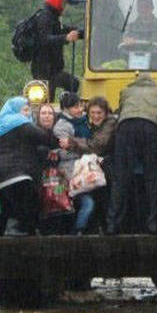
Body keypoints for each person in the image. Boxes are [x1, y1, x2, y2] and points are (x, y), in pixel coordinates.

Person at [107, 72, 157, 234]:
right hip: (151, 127)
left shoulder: (126, 91)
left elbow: (121, 110)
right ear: (152, 81)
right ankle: (153, 225)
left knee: (121, 178)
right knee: (153, 178)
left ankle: (112, 224)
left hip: (125, 128)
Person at [0, 97, 51, 236]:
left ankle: (15, 234)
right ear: (16, 111)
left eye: (28, 110)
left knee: (12, 207)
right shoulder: (21, 124)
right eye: (24, 109)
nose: (27, 113)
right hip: (15, 174)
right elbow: (44, 138)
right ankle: (17, 230)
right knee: (32, 200)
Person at [60, 96, 117, 232]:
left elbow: (97, 146)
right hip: (99, 166)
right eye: (93, 113)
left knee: (106, 197)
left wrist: (72, 142)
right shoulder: (93, 125)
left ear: (105, 113)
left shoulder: (110, 123)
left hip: (110, 166)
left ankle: (108, 227)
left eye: (99, 113)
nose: (96, 116)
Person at [31, 0, 84, 99]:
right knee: (45, 103)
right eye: (63, 1)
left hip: (54, 70)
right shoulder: (44, 17)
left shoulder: (53, 18)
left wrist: (83, 32)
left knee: (73, 83)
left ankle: (66, 104)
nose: (65, 5)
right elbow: (44, 39)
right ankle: (62, 107)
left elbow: (62, 30)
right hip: (43, 71)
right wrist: (66, 37)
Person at [53, 92, 95, 235]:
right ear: (66, 109)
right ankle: (77, 230)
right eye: (76, 107)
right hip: (68, 173)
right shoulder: (62, 126)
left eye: (81, 106)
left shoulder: (84, 121)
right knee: (82, 202)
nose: (80, 109)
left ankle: (77, 230)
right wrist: (85, 150)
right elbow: (64, 153)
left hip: (84, 169)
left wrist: (78, 146)